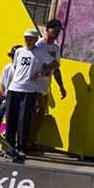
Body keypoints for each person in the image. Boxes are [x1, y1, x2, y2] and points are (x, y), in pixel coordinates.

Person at [1, 28, 44, 162]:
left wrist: (40, 72)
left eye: (30, 38)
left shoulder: (40, 52)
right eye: (25, 37)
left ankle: (22, 148)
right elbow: (15, 67)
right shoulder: (19, 51)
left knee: (23, 120)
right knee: (11, 118)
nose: (27, 40)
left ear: (36, 39)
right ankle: (9, 146)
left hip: (29, 90)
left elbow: (54, 64)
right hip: (14, 88)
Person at [27, 16, 69, 151]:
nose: (57, 32)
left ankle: (31, 140)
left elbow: (56, 68)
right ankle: (24, 140)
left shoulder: (56, 48)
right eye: (54, 29)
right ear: (47, 29)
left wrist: (61, 86)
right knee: (32, 114)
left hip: (45, 86)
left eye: (59, 30)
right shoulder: (39, 45)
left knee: (39, 117)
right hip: (34, 86)